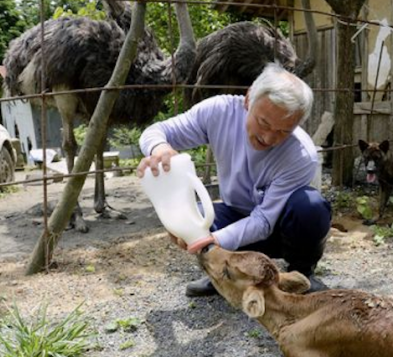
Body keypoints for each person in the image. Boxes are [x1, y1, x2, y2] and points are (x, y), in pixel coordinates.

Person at [137, 63, 332, 297]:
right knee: (196, 217)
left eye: (283, 131)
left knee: (310, 206)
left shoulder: (302, 155)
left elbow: (263, 221)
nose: (269, 137)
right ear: (248, 99)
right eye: (264, 123)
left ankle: (302, 274)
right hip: (235, 213)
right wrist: (159, 148)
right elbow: (155, 131)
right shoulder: (219, 111)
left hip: (281, 228)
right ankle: (223, 275)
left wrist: (212, 242)